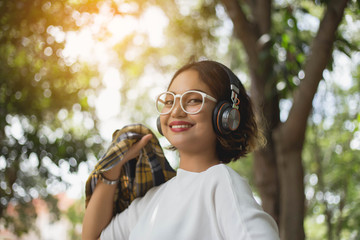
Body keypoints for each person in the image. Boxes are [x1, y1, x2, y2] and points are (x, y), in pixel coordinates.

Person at [82, 60, 280, 240]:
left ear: (226, 116)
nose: (176, 111)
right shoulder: (152, 200)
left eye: (193, 100)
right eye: (169, 101)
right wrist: (112, 171)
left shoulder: (220, 182)